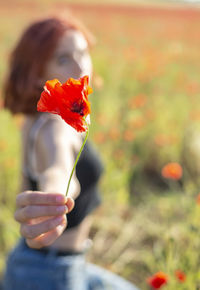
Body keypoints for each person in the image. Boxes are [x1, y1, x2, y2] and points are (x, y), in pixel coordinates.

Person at [2, 14, 139, 290]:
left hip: (46, 263)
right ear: (38, 73)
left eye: (83, 52)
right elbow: (58, 166)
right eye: (64, 59)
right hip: (49, 276)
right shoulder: (55, 125)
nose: (81, 66)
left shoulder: (36, 116)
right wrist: (56, 196)